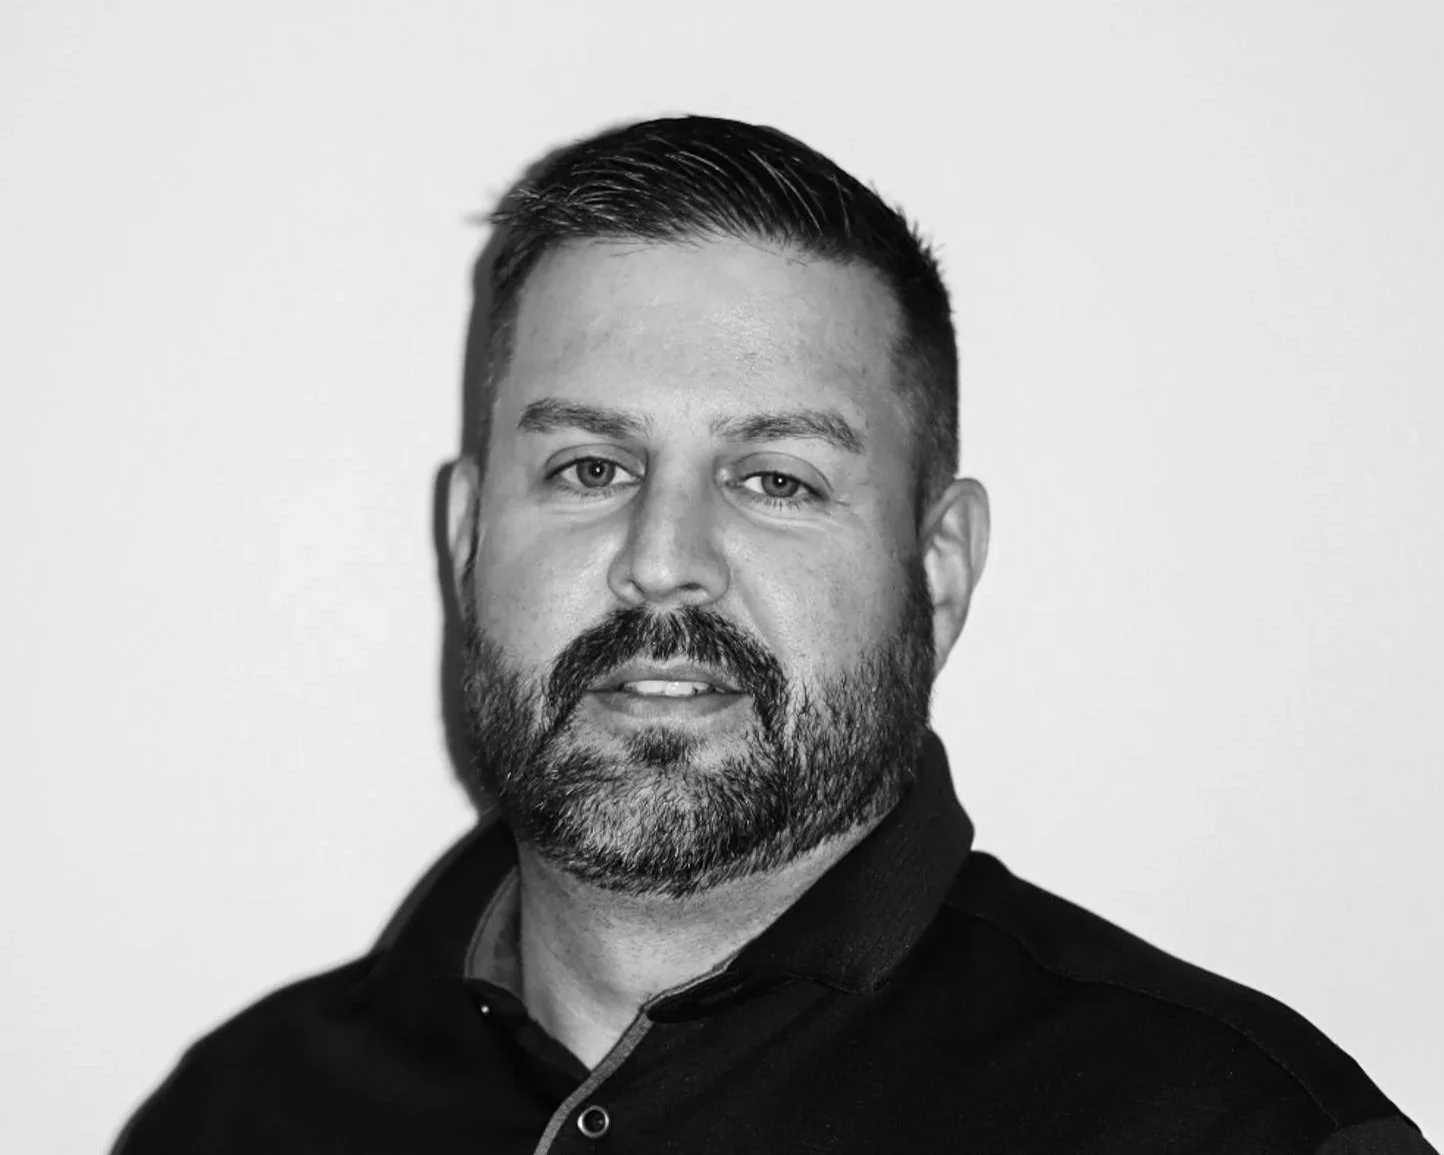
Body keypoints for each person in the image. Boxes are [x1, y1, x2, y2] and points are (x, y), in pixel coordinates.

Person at [115, 115, 1433, 1154]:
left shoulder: (1240, 1130)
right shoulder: (242, 1112)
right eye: (588, 467)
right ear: (468, 536)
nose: (663, 561)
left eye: (778, 480)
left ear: (941, 571)